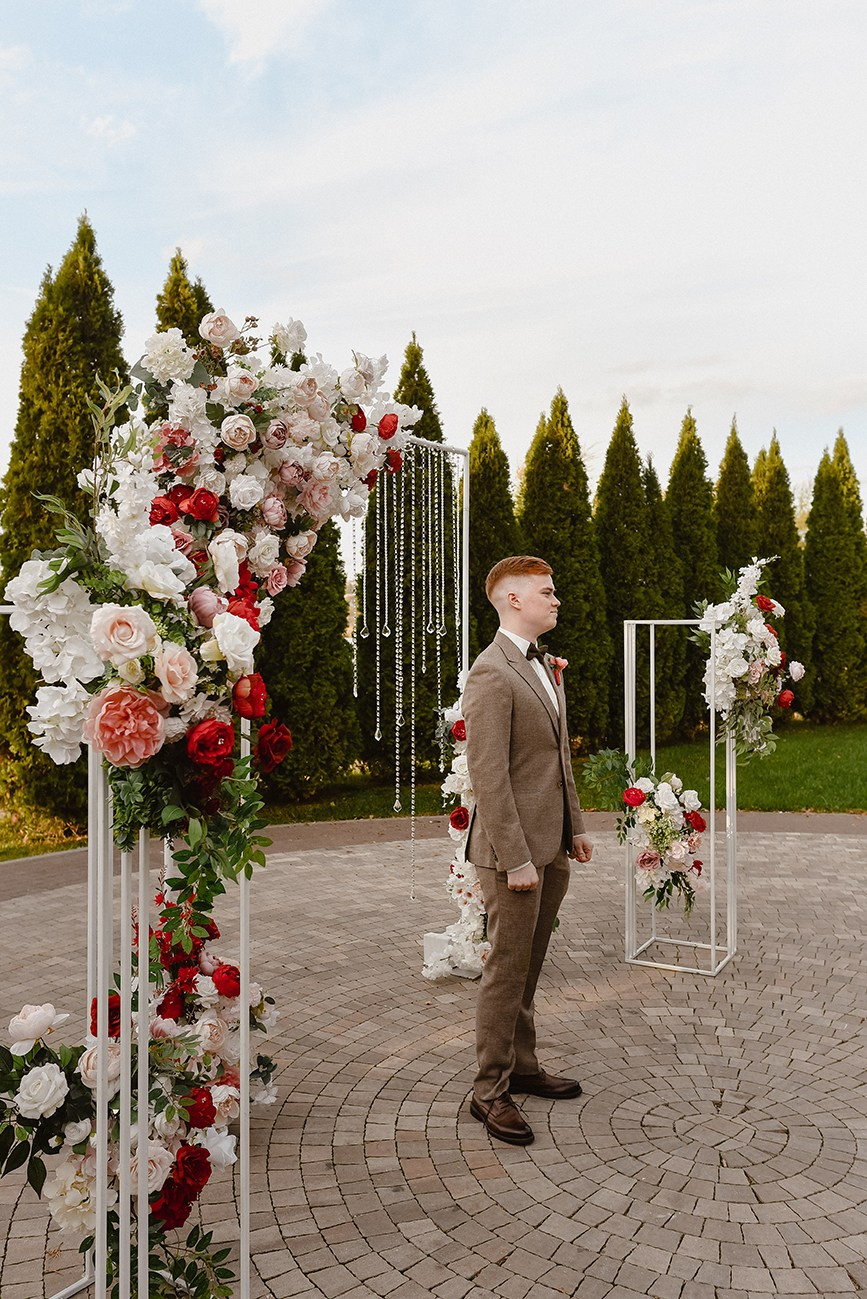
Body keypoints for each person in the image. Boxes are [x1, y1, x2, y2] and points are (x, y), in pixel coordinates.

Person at [461, 555, 593, 1146]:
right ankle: (489, 1091)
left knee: (529, 967)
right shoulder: (491, 672)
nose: (556, 598)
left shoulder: (542, 667)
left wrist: (578, 828)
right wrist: (515, 858)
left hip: (551, 843)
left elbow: (556, 761)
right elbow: (488, 776)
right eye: (547, 591)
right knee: (505, 971)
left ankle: (525, 1066)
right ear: (513, 600)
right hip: (511, 852)